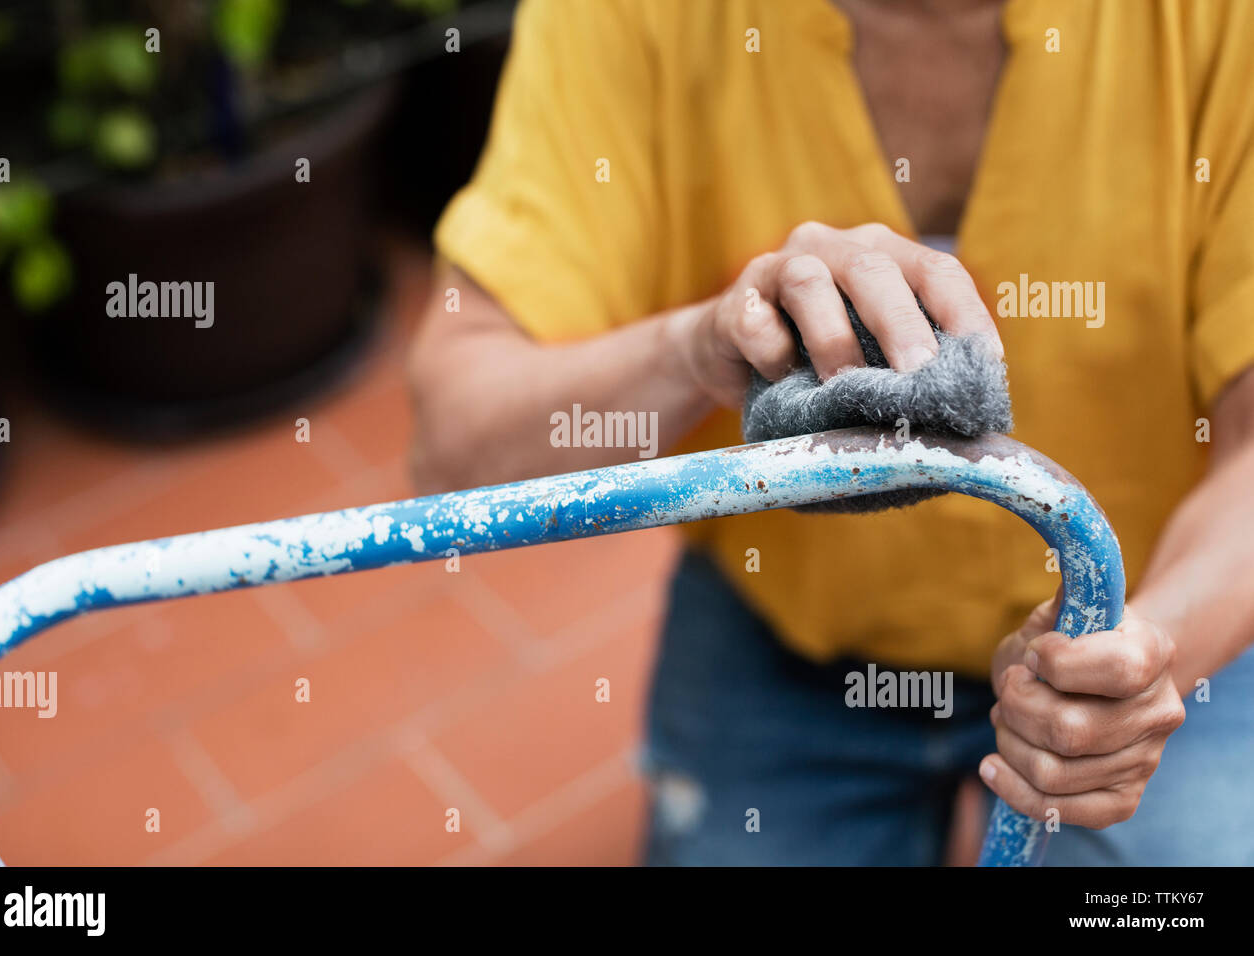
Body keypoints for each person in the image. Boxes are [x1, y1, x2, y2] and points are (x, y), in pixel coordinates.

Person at [406, 0, 1254, 864]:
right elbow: (455, 444)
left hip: (1160, 619)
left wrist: (1139, 665)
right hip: (790, 635)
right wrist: (699, 346)